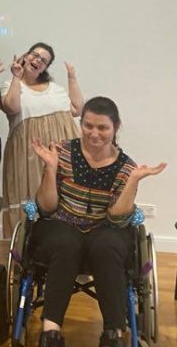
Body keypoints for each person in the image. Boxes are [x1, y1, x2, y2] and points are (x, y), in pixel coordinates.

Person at [30, 97, 166, 347]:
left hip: (105, 227)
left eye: (102, 127)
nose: (94, 133)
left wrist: (133, 182)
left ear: (115, 128)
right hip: (61, 222)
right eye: (88, 125)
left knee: (107, 247)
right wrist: (50, 169)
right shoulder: (60, 152)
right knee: (66, 244)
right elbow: (46, 208)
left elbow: (117, 217)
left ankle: (113, 332)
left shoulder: (126, 167)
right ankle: (50, 331)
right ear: (81, 124)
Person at [0, 42, 84, 237]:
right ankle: (24, 248)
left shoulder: (55, 88)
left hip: (60, 151)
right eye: (34, 55)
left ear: (46, 67)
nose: (37, 60)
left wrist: (72, 78)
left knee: (61, 195)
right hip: (28, 152)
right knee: (30, 196)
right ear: (25, 55)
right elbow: (11, 108)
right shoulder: (12, 85)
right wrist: (16, 77)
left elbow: (77, 109)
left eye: (43, 60)